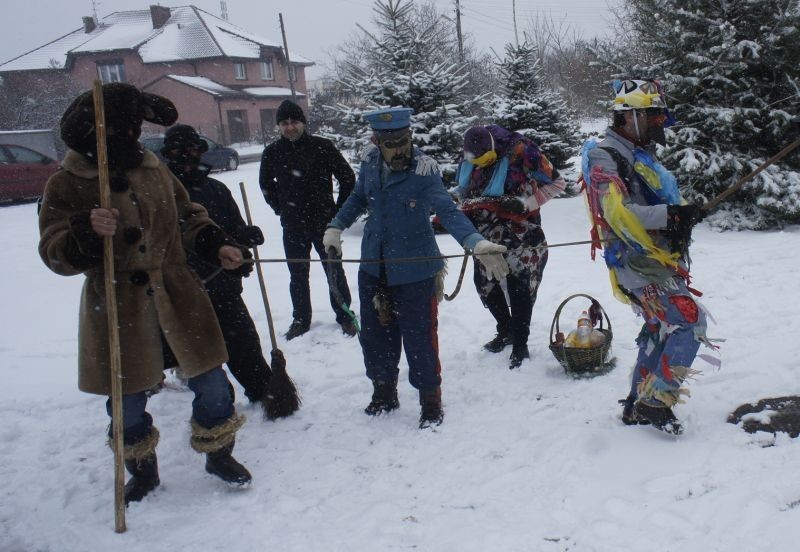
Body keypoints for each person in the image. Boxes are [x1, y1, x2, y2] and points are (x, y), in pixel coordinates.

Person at [38, 83, 253, 505]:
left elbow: (188, 215)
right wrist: (84, 231)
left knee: (212, 385)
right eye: (124, 128)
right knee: (128, 401)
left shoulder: (154, 169)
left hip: (177, 297)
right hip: (118, 306)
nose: (133, 136)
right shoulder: (67, 183)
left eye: (136, 126)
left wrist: (216, 244)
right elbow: (53, 252)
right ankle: (142, 467)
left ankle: (217, 453)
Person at [323, 107, 510, 429]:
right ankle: (383, 391)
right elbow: (357, 198)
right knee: (375, 336)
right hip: (373, 265)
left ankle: (430, 400)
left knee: (419, 338)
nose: (399, 148)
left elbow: (447, 211)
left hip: (415, 271)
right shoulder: (369, 163)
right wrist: (336, 226)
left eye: (403, 140)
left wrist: (475, 243)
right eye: (390, 142)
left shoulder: (424, 171)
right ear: (376, 140)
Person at [581, 78, 709, 434]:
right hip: (636, 264)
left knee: (659, 326)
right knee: (690, 321)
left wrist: (682, 214)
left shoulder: (640, 153)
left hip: (657, 260)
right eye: (651, 115)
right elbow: (616, 214)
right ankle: (655, 401)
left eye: (658, 115)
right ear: (630, 116)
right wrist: (671, 216)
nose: (658, 122)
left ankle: (637, 404)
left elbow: (656, 203)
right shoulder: (603, 155)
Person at [160, 124, 274, 407]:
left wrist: (244, 238)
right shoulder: (160, 195)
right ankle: (218, 402)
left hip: (222, 284)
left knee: (243, 341)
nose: (187, 156)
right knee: (201, 354)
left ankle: (264, 392)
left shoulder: (216, 189)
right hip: (182, 290)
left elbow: (232, 229)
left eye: (192, 149)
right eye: (178, 150)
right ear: (168, 154)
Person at [455, 125, 567, 369]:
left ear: (494, 147)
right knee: (484, 284)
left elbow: (558, 183)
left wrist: (526, 204)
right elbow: (463, 190)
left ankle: (520, 343)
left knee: (520, 285)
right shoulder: (467, 158)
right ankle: (505, 330)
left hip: (522, 230)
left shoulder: (523, 150)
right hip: (485, 231)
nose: (482, 165)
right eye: (477, 162)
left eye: (487, 159)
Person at [259, 100, 357, 340]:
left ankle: (344, 315)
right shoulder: (272, 152)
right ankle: (301, 319)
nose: (290, 127)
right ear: (279, 126)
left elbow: (347, 178)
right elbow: (265, 185)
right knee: (297, 274)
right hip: (292, 225)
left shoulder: (322, 147)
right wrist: (280, 208)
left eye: (294, 122)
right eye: (284, 123)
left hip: (324, 223)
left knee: (333, 270)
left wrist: (337, 212)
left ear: (303, 123)